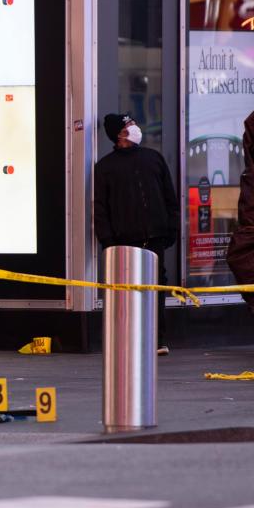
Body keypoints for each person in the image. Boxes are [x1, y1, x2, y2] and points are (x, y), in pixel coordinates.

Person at [93, 113, 179, 355]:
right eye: (128, 125)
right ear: (119, 134)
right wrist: (108, 241)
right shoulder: (106, 167)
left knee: (156, 288)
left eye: (132, 124)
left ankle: (158, 339)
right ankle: (129, 339)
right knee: (127, 291)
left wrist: (171, 227)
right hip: (125, 240)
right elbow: (100, 208)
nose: (134, 128)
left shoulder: (153, 158)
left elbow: (169, 197)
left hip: (155, 237)